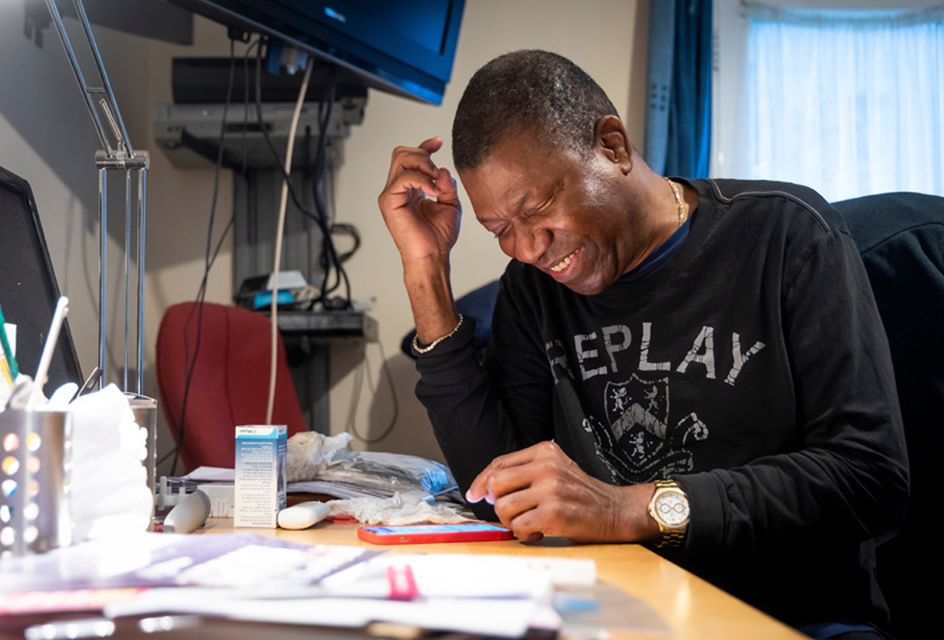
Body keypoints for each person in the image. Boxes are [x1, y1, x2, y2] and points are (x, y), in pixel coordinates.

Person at [377, 50, 908, 637]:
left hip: (796, 616)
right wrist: (425, 272)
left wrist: (629, 509)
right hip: (616, 613)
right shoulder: (534, 291)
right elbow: (498, 494)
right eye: (500, 230)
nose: (528, 248)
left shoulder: (787, 236)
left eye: (538, 209)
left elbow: (871, 476)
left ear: (613, 146)